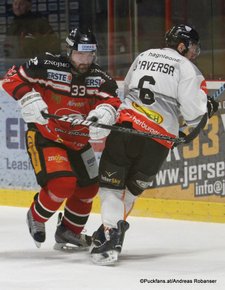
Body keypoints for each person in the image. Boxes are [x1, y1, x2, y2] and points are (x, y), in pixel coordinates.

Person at [89, 24, 219, 265]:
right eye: (192, 47)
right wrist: (208, 109)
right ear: (182, 45)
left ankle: (111, 234)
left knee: (111, 186)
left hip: (127, 128)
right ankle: (109, 231)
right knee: (132, 189)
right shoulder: (188, 69)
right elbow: (193, 116)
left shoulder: (144, 56)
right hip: (159, 141)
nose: (194, 52)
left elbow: (126, 91)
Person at [2, 27, 120, 249]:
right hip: (47, 136)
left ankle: (68, 231)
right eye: (80, 54)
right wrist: (27, 97)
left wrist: (105, 113)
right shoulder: (46, 64)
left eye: (90, 54)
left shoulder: (99, 78)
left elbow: (113, 101)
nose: (85, 60)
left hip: (78, 143)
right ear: (69, 50)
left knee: (89, 188)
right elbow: (11, 78)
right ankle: (36, 216)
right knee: (62, 184)